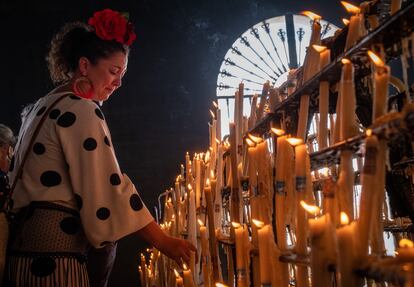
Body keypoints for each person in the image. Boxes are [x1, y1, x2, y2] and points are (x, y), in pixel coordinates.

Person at [4, 9, 196, 287]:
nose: (118, 83)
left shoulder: (40, 106)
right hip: (54, 262)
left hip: (21, 260)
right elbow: (108, 188)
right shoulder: (81, 109)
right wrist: (163, 241)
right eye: (113, 71)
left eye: (123, 74)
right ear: (84, 66)